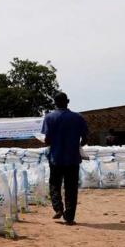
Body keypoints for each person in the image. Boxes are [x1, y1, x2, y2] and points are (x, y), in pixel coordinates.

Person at [41, 92, 88, 225]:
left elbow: (47, 141)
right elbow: (84, 139)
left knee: (54, 184)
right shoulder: (78, 118)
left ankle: (58, 208)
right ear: (68, 101)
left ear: (55, 103)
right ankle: (69, 217)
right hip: (73, 159)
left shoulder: (49, 118)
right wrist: (76, 144)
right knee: (71, 187)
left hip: (56, 158)